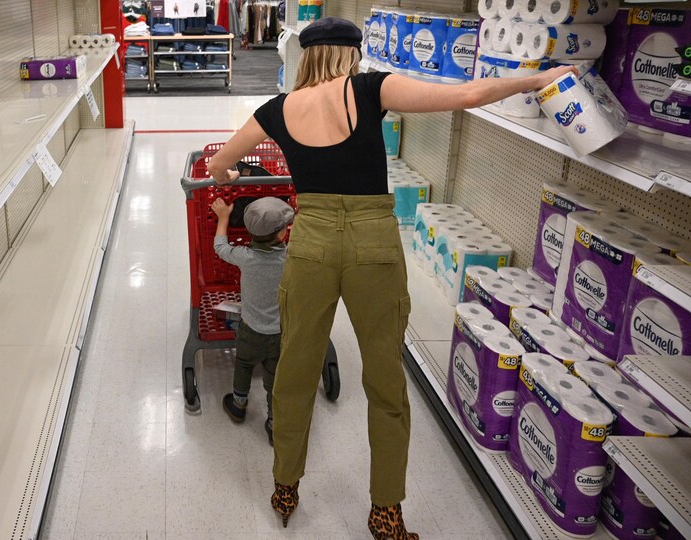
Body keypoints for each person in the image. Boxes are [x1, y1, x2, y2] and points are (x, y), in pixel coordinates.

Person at [205, 16, 576, 540]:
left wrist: (234, 177)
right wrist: (533, 80)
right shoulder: (371, 88)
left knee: (294, 371)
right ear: (350, 54)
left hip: (309, 242)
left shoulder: (276, 109)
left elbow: (219, 164)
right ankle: (386, 513)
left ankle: (285, 486)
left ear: (309, 56)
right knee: (384, 380)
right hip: (372, 245)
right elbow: (467, 95)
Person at [211, 196, 294, 444]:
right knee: (274, 379)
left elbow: (220, 248)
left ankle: (238, 403)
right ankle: (274, 424)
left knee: (244, 364)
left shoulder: (245, 257)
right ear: (281, 236)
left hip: (249, 328)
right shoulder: (290, 258)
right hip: (279, 333)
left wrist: (224, 217)